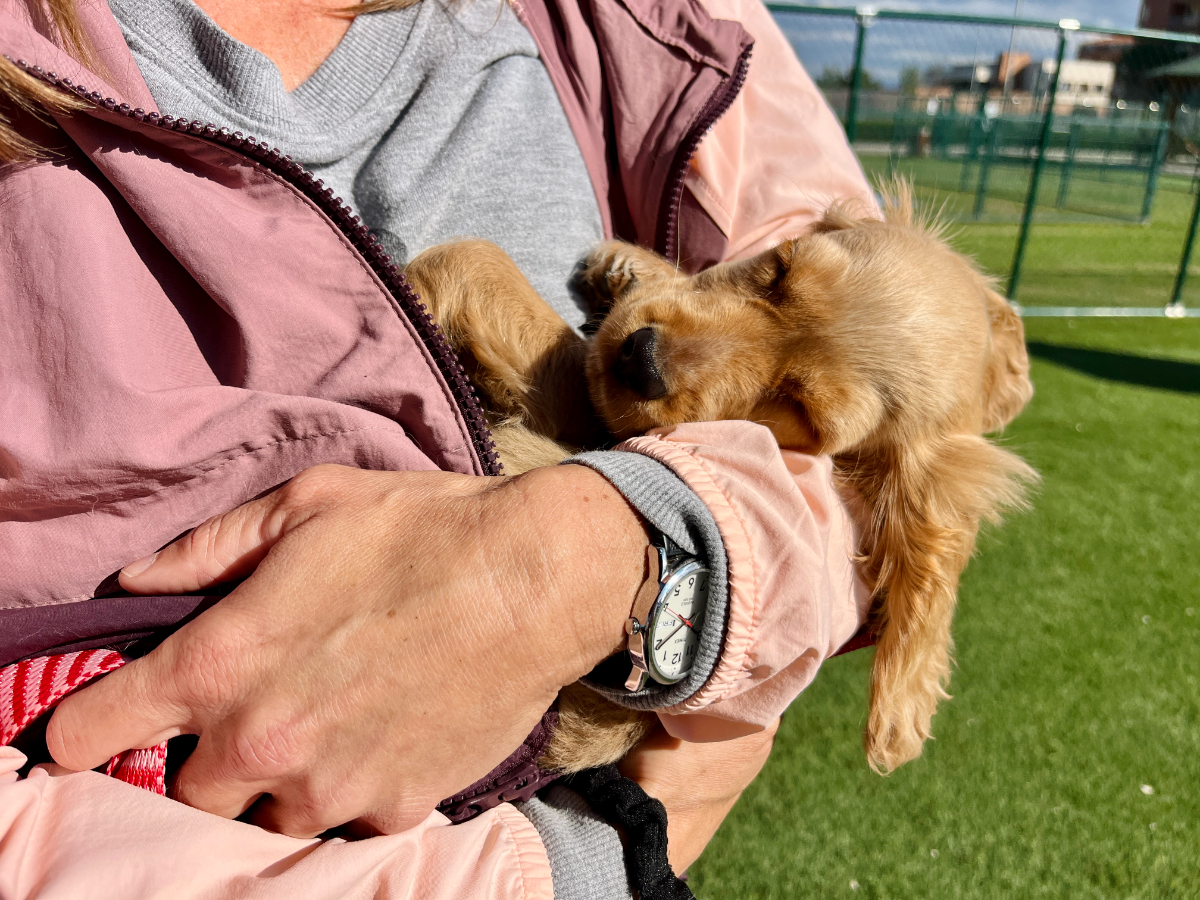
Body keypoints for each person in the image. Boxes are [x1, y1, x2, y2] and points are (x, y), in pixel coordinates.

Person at [0, 0, 874, 895]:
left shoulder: (665, 20)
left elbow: (882, 456)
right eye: (772, 280)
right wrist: (585, 863)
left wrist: (607, 560)